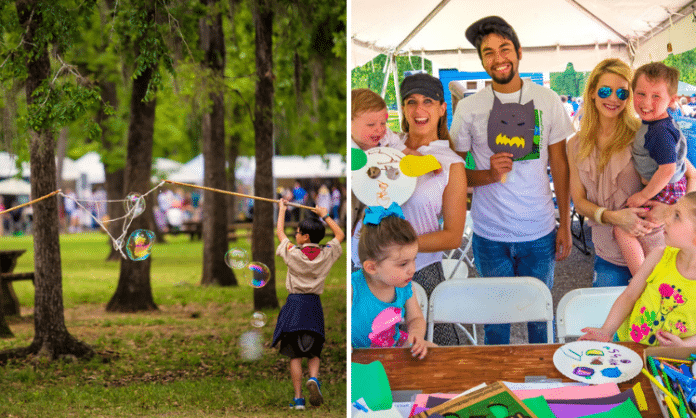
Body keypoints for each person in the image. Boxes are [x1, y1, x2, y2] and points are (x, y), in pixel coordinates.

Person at [450, 16, 574, 345]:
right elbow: (455, 172)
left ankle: (541, 386)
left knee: (539, 318)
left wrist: (564, 223)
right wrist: (489, 174)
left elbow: (560, 164)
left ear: (519, 52)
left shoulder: (548, 100)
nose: (498, 58)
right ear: (481, 60)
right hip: (490, 236)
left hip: (539, 232)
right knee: (496, 323)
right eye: (488, 52)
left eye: (504, 49)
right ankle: (497, 389)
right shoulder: (469, 108)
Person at [391, 72, 467, 346]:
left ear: (442, 107)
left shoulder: (450, 164)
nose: (419, 110)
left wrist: (398, 249)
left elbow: (452, 237)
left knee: (434, 353)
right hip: (372, 270)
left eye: (427, 101)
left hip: (420, 270)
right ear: (403, 108)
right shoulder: (386, 147)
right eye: (411, 102)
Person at [580, 192, 696, 347]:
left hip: (670, 363)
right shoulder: (659, 256)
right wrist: (606, 330)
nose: (667, 219)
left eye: (677, 216)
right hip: (628, 348)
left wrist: (684, 346)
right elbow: (629, 296)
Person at [614, 62, 687, 276]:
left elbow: (667, 169)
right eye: (641, 94)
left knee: (623, 229)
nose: (646, 103)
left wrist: (642, 195)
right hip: (668, 187)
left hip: (664, 190)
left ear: (672, 100)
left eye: (656, 96)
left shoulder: (658, 132)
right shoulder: (657, 123)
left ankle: (643, 281)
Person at [272, 199, 344, 410]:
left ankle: (298, 399)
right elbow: (339, 235)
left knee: (294, 354)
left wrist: (282, 210)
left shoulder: (294, 252)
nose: (294, 235)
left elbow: (280, 234)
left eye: (298, 232)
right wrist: (325, 215)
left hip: (295, 305)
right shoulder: (326, 252)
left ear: (305, 237)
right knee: (313, 351)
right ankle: (313, 378)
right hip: (313, 306)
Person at [351, 203, 430, 359]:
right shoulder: (354, 287)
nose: (412, 269)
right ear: (372, 267)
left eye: (414, 259)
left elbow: (415, 318)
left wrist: (415, 335)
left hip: (393, 351)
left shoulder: (406, 286)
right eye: (403, 264)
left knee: (433, 349)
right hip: (359, 357)